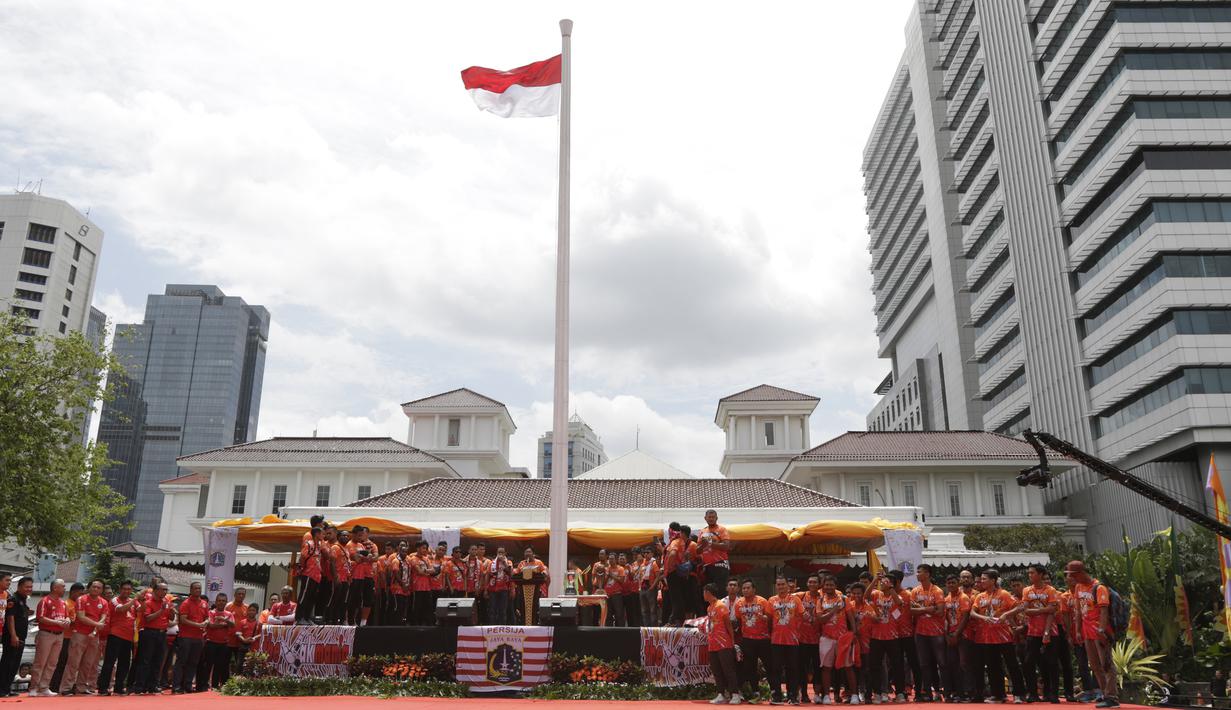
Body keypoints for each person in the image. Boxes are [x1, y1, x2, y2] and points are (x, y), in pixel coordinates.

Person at [1066, 560, 1119, 708]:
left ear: (1081, 573)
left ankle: (1112, 697)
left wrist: (1102, 630)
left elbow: (1104, 611)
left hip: (1101, 632)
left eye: (1073, 575)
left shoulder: (1099, 587)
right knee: (1095, 666)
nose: (1071, 578)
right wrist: (1077, 630)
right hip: (1087, 633)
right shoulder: (1078, 587)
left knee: (1106, 664)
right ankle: (1104, 694)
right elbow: (1077, 611)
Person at [971, 568, 1026, 703]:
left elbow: (1019, 607)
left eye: (984, 579)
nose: (981, 581)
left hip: (1004, 636)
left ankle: (1019, 694)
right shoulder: (980, 596)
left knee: (1012, 665)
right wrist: (982, 618)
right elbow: (972, 613)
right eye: (981, 579)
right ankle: (998, 694)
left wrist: (1006, 614)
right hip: (987, 637)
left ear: (993, 580)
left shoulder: (1004, 594)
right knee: (993, 667)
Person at [60, 579, 109, 695]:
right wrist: (97, 624)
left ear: (102, 590)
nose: (96, 589)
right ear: (89, 588)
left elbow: (103, 616)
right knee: (73, 662)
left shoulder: (104, 602)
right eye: (94, 587)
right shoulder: (82, 599)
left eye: (99, 587)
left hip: (94, 636)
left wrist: (97, 628)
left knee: (88, 663)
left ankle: (81, 687)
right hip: (80, 634)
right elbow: (81, 617)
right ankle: (66, 687)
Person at [1021, 564, 1061, 703]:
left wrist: (1046, 631)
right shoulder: (1027, 590)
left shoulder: (1051, 590)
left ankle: (1053, 694)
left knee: (1051, 663)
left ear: (1040, 574)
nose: (1029, 575)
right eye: (1029, 573)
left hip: (1050, 632)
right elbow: (1026, 610)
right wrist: (1043, 610)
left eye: (1032, 573)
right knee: (1028, 662)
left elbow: (1052, 612)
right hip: (1032, 632)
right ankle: (1033, 693)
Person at [819, 574, 858, 704]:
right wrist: (833, 611)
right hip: (826, 638)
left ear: (836, 586)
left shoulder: (844, 598)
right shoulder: (820, 600)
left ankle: (854, 695)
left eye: (831, 585)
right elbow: (820, 619)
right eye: (826, 585)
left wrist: (853, 633)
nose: (828, 587)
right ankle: (826, 696)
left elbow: (851, 617)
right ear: (823, 586)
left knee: (848, 667)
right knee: (826, 667)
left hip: (843, 638)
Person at [911, 564, 947, 702]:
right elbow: (911, 610)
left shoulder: (937, 591)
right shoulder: (915, 591)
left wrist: (922, 609)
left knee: (941, 663)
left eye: (919, 572)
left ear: (927, 574)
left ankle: (945, 691)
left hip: (936, 633)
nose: (917, 574)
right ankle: (928, 693)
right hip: (920, 633)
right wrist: (928, 609)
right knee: (924, 664)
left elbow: (939, 611)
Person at [29, 578, 71, 697]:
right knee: (40, 662)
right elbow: (40, 618)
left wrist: (67, 621)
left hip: (59, 635)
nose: (64, 588)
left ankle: (44, 687)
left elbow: (67, 617)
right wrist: (56, 622)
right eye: (63, 586)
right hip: (46, 633)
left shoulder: (63, 603)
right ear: (55, 588)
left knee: (53, 662)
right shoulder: (45, 601)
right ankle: (34, 687)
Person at [868, 574, 905, 704]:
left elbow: (900, 603)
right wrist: (874, 580)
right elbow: (865, 596)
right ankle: (877, 693)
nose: (882, 583)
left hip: (892, 636)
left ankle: (900, 693)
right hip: (876, 636)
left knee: (897, 665)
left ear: (891, 584)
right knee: (875, 666)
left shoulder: (896, 596)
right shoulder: (876, 594)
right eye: (882, 582)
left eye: (886, 582)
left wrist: (891, 589)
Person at [734, 578, 772, 703]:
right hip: (748, 640)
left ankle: (775, 693)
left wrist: (763, 617)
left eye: (748, 588)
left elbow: (770, 619)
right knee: (750, 668)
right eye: (743, 588)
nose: (745, 590)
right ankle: (756, 693)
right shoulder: (739, 603)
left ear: (754, 589)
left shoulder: (763, 601)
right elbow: (739, 620)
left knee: (770, 666)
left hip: (764, 640)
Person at [704, 582, 743, 705]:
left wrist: (731, 642)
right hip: (713, 644)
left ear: (708, 593)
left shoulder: (721, 606)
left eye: (704, 593)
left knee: (728, 670)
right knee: (717, 670)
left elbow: (729, 626)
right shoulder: (709, 607)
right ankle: (721, 694)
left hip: (724, 644)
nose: (703, 595)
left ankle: (735, 694)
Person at [768, 576, 804, 706]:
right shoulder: (771, 600)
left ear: (787, 586)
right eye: (778, 585)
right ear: (775, 586)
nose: (781, 587)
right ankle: (777, 696)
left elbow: (802, 616)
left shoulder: (796, 600)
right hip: (776, 640)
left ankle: (793, 696)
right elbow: (768, 619)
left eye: (783, 584)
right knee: (776, 669)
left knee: (793, 669)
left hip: (793, 640)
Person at [132, 582, 174, 695]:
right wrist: (161, 610)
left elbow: (171, 617)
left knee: (158, 660)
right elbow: (148, 618)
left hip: (162, 633)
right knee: (145, 660)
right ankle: (139, 686)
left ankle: (152, 685)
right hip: (149, 633)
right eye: (162, 589)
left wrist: (171, 610)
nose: (165, 592)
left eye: (166, 590)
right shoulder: (148, 603)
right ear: (155, 590)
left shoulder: (166, 603)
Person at [98, 580, 135, 696]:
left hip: (128, 636)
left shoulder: (132, 602)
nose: (126, 591)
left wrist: (142, 600)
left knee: (124, 663)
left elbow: (142, 610)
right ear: (120, 589)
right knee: (109, 662)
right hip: (115, 635)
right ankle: (103, 688)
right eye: (124, 589)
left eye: (129, 589)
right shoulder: (115, 600)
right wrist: (135, 599)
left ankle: (119, 687)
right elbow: (121, 609)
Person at [172, 581, 208, 694]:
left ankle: (187, 685)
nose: (198, 590)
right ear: (191, 590)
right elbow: (183, 619)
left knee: (193, 662)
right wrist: (198, 625)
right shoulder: (186, 603)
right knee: (182, 662)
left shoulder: (204, 603)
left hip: (198, 638)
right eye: (196, 588)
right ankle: (176, 686)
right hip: (186, 637)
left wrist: (206, 622)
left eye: (199, 588)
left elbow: (207, 617)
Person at [0, 577, 32, 697]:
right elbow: (10, 618)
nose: (29, 589)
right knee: (7, 663)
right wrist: (13, 635)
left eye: (30, 587)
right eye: (26, 587)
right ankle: (2, 689)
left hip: (21, 637)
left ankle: (7, 688)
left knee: (14, 664)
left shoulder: (23, 600)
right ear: (19, 587)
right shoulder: (13, 599)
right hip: (13, 637)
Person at [942, 574, 971, 703]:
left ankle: (967, 692)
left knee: (963, 664)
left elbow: (965, 617)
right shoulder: (946, 599)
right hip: (950, 636)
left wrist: (957, 634)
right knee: (952, 664)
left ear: (958, 583)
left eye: (953, 582)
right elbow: (945, 619)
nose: (951, 585)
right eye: (948, 583)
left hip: (963, 635)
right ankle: (955, 692)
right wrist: (947, 635)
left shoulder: (963, 597)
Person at [796, 575, 822, 703]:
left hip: (819, 639)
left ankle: (817, 694)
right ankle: (804, 694)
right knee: (802, 668)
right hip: (802, 638)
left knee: (818, 667)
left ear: (819, 584)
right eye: (810, 581)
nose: (812, 584)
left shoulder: (823, 598)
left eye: (815, 582)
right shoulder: (800, 596)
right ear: (807, 583)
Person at [346, 526, 378, 625]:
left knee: (361, 600)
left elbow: (372, 557)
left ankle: (360, 622)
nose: (361, 537)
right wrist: (365, 556)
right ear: (353, 534)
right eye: (359, 535)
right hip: (353, 576)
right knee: (352, 599)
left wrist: (366, 556)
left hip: (363, 576)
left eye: (362, 535)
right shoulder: (350, 545)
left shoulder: (362, 544)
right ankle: (349, 621)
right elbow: (357, 559)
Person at [203, 593, 235, 688]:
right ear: (216, 602)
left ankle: (215, 685)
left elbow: (233, 625)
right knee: (207, 665)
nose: (221, 602)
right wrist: (225, 624)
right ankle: (204, 685)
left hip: (223, 644)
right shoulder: (211, 612)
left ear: (226, 602)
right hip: (211, 643)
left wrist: (223, 620)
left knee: (219, 666)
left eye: (223, 601)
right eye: (219, 600)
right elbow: (211, 625)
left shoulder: (229, 614)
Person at [699, 510, 732, 594]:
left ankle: (721, 607)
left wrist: (710, 543)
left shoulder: (722, 529)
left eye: (713, 517)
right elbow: (697, 551)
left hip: (720, 564)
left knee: (720, 592)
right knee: (709, 593)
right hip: (707, 566)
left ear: (716, 518)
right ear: (705, 518)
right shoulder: (702, 531)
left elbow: (726, 546)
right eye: (709, 517)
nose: (711, 519)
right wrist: (703, 545)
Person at [515, 548, 549, 625]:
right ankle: (524, 623)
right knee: (523, 608)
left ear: (533, 553)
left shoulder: (538, 562)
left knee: (535, 608)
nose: (527, 553)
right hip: (523, 590)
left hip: (535, 590)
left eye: (529, 552)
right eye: (526, 552)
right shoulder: (522, 563)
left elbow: (544, 571)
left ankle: (534, 623)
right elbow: (516, 574)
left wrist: (543, 572)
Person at [297, 526, 323, 624]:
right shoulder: (309, 544)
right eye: (322, 533)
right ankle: (299, 618)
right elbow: (303, 556)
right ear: (317, 534)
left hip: (316, 576)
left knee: (312, 597)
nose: (323, 535)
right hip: (308, 574)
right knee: (304, 596)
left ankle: (307, 618)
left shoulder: (319, 545)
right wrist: (303, 568)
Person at [411, 541, 437, 625]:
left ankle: (427, 625)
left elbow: (433, 570)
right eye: (423, 548)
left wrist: (425, 570)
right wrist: (427, 571)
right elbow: (419, 571)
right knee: (417, 608)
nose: (425, 550)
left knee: (428, 607)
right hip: (417, 588)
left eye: (426, 548)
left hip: (427, 587)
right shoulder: (413, 559)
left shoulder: (426, 559)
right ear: (418, 548)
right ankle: (415, 625)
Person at [331, 528, 352, 623]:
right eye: (344, 535)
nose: (346, 537)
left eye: (348, 536)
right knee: (335, 600)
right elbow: (332, 562)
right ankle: (333, 620)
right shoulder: (335, 547)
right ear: (339, 537)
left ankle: (341, 620)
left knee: (343, 601)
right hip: (338, 578)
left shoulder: (346, 549)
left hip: (345, 579)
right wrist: (336, 577)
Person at [488, 547, 513, 624]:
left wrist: (504, 563)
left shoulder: (509, 562)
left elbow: (511, 574)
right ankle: (492, 627)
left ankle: (502, 627)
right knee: (493, 609)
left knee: (503, 610)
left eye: (502, 552)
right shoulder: (491, 563)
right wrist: (486, 589)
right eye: (499, 552)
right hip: (493, 589)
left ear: (505, 553)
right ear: (497, 553)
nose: (500, 554)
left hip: (504, 589)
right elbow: (487, 576)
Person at [233, 604, 260, 673]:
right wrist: (244, 640)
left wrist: (254, 638)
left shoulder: (259, 623)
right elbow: (238, 633)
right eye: (250, 610)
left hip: (253, 649)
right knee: (239, 666)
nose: (251, 612)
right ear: (247, 611)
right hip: (242, 648)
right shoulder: (242, 622)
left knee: (251, 666)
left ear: (257, 612)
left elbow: (261, 634)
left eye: (253, 610)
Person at [639, 549, 661, 626]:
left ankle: (654, 628)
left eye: (647, 552)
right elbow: (641, 576)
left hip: (650, 588)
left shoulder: (654, 563)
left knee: (653, 609)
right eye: (644, 553)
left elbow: (658, 576)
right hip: (642, 588)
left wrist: (652, 586)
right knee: (644, 610)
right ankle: (646, 627)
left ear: (651, 554)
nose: (645, 554)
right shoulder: (642, 564)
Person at [621, 552, 641, 627]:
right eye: (620, 559)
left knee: (630, 613)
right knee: (620, 613)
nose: (622, 560)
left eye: (623, 559)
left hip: (629, 593)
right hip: (619, 593)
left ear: (626, 560)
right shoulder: (617, 567)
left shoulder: (629, 566)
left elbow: (632, 577)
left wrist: (629, 568)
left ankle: (631, 628)